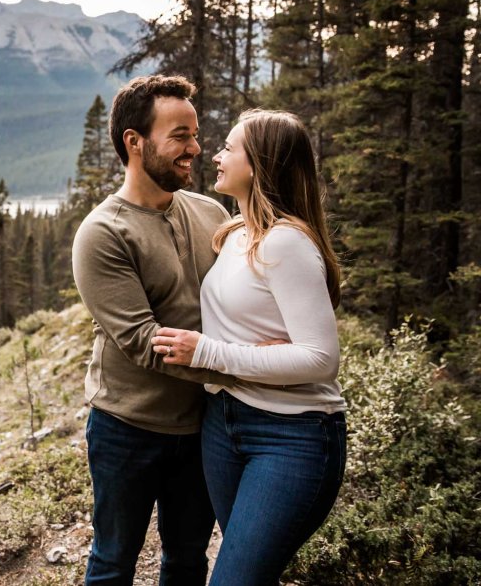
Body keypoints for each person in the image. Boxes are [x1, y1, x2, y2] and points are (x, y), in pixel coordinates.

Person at [151, 109, 346, 586]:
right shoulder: (236, 234)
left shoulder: (286, 243)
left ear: (259, 164)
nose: (214, 155)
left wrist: (209, 353)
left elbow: (320, 359)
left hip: (292, 437)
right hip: (223, 425)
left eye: (229, 148)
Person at [72, 74, 234, 585]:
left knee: (188, 560)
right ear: (134, 143)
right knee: (113, 560)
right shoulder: (103, 233)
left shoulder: (210, 212)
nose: (195, 148)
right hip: (128, 428)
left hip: (204, 423)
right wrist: (248, 367)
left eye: (195, 133)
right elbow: (145, 343)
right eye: (180, 136)